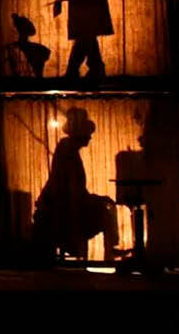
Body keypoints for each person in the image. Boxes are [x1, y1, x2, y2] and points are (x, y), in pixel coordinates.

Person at [33, 108, 120, 262]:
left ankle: (111, 251)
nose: (90, 138)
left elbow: (77, 190)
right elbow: (73, 190)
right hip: (63, 209)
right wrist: (97, 199)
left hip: (66, 205)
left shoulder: (68, 149)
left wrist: (97, 198)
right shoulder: (67, 150)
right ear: (81, 133)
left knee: (106, 208)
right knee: (105, 213)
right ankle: (109, 254)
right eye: (88, 133)